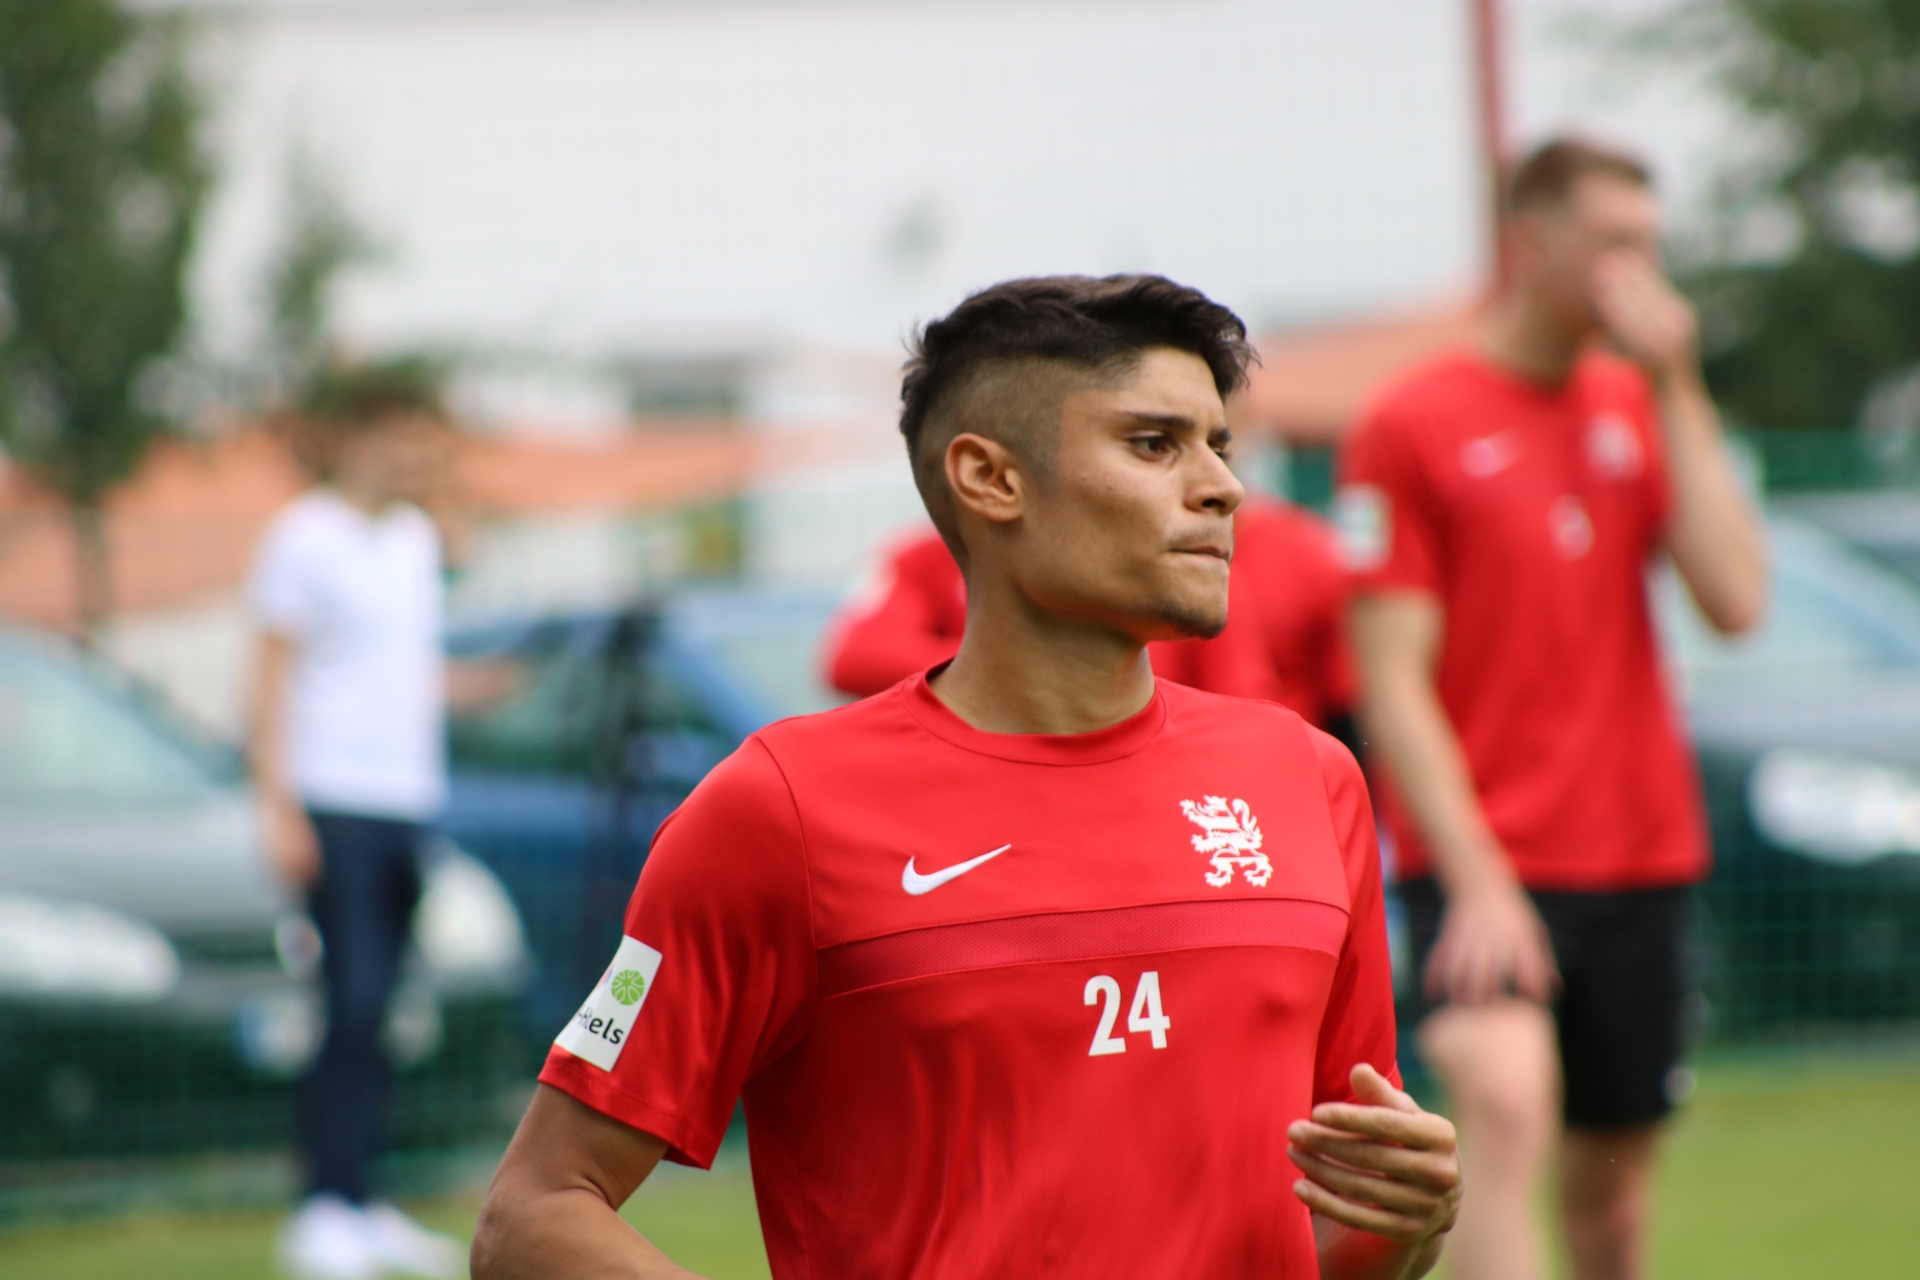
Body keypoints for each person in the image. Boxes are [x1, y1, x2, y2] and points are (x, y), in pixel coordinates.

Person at [473, 275, 1460, 1280]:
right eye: (1153, 444)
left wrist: (1409, 1224)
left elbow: (1341, 1235)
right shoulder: (781, 808)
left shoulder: (1308, 779)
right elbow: (533, 1215)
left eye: (1219, 445)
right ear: (990, 478)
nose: (1221, 487)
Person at [1338, 138, 1768, 1280]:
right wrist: (1479, 878)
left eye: (1650, 242)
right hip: (1486, 858)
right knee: (1506, 1104)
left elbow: (1735, 600)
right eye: (1616, 242)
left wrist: (1678, 381)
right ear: (1531, 246)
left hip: (1640, 853)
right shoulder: (1411, 421)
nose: (1643, 267)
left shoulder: (1639, 401)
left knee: (1612, 1198)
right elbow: (1391, 679)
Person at [249, 369, 493, 1280]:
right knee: (347, 1003)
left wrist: (480, 689)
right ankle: (319, 1208)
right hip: (333, 802)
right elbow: (269, 676)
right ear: (353, 439)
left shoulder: (413, 540)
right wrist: (276, 807)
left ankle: (361, 1199)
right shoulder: (301, 537)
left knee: (387, 1007)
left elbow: (402, 668)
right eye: (400, 438)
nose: (414, 457)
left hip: (408, 802)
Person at [824, 497, 1356, 734]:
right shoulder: (925, 555)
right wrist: (1046, 674)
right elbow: (852, 658)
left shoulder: (1216, 562)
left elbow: (1246, 711)